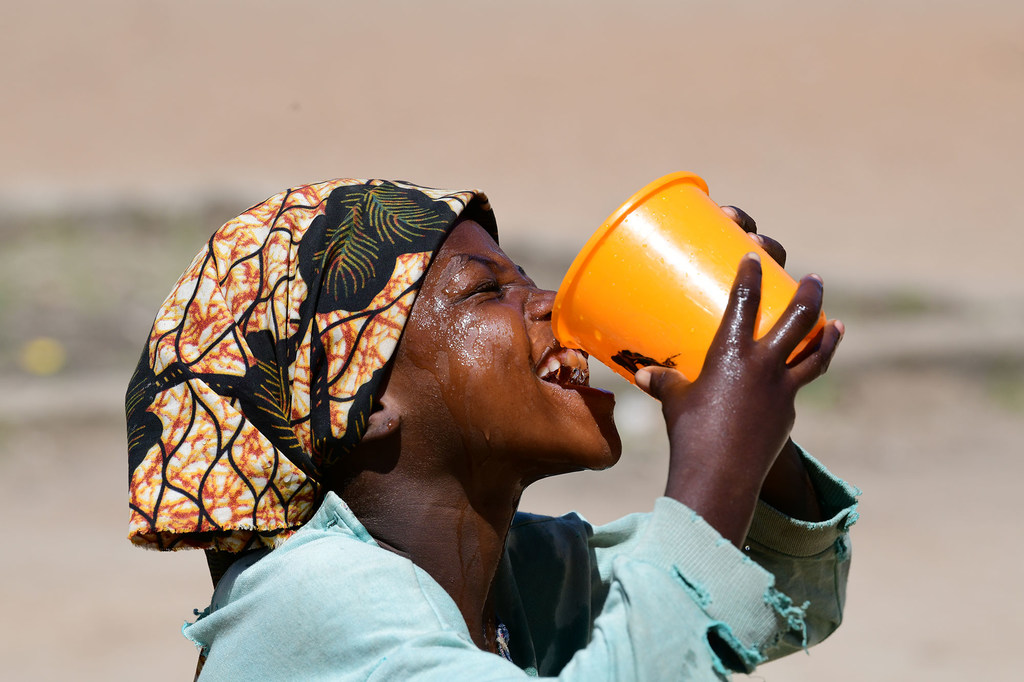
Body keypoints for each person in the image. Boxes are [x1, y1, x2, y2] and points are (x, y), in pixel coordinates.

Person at [126, 178, 857, 680]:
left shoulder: (518, 579)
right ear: (365, 398)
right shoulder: (314, 603)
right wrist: (715, 462)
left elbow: (787, 594)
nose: (549, 305)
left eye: (525, 279)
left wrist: (732, 386)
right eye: (487, 292)